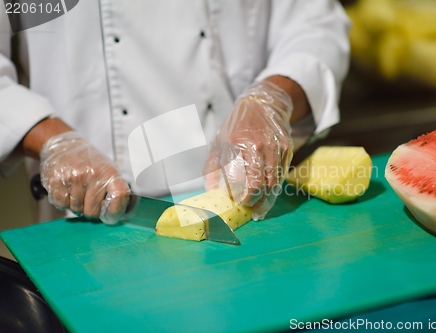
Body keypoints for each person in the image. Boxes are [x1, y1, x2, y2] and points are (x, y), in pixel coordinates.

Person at [0, 1, 351, 223]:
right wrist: (51, 139)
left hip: (248, 191)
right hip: (91, 207)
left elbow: (316, 24)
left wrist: (272, 97)